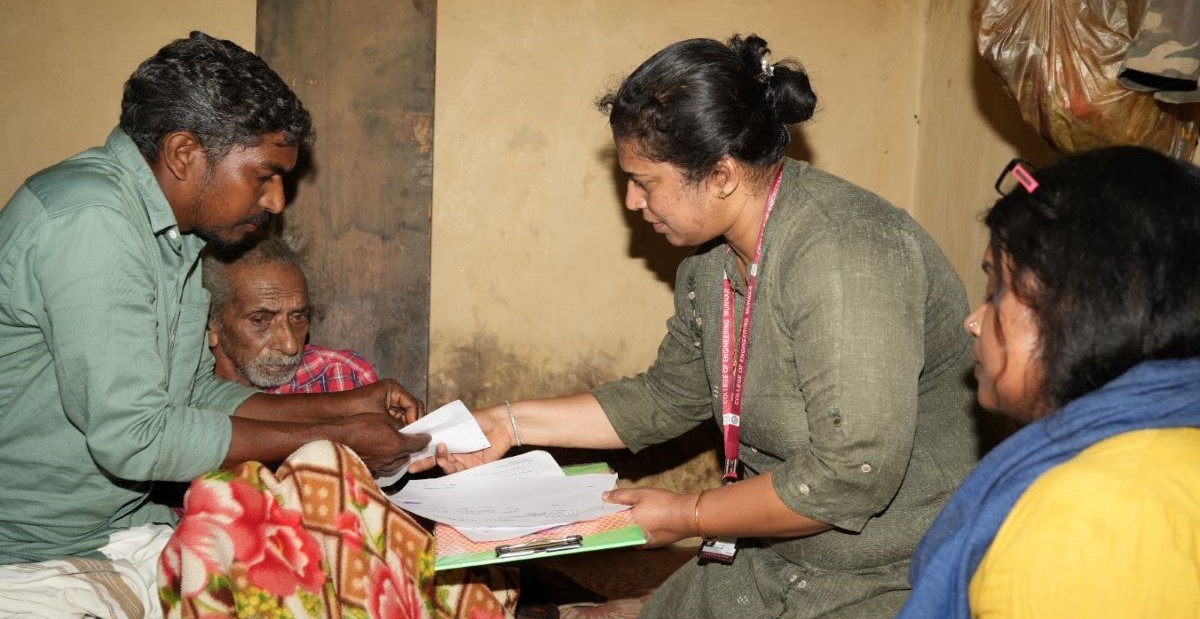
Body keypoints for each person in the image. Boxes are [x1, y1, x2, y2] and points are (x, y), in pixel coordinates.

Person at [416, 34, 981, 618]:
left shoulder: (845, 253)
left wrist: (688, 516)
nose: (634, 203)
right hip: (773, 554)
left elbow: (850, 475)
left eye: (645, 181)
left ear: (721, 175)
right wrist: (507, 422)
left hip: (896, 568)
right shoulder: (711, 265)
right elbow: (665, 397)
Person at [0, 31, 507, 619]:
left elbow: (191, 393)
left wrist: (347, 406)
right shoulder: (90, 222)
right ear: (185, 154)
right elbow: (135, 438)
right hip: (33, 556)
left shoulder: (175, 236)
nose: (275, 201)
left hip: (123, 534)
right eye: (264, 174)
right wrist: (339, 437)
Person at [898, 147, 1200, 618]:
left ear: (1082, 308)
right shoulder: (1169, 447)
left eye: (996, 288)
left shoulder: (1083, 521)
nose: (974, 322)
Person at [203, 234, 379, 394]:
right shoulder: (181, 400)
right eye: (261, 320)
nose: (291, 346)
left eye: (298, 317)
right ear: (211, 324)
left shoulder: (341, 377)